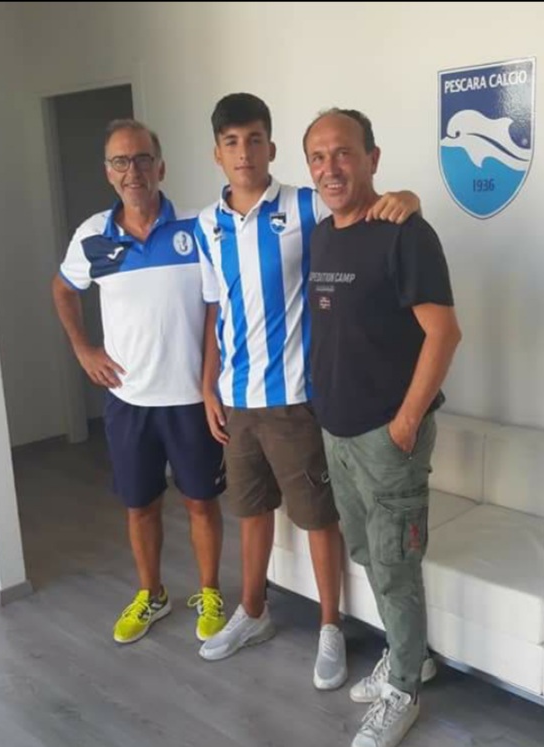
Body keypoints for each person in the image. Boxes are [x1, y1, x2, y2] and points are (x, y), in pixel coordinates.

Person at [193, 92, 421, 692]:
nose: (244, 153)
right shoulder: (205, 225)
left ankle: (329, 627)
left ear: (271, 147)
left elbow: (368, 203)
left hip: (296, 398)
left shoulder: (304, 204)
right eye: (231, 142)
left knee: (319, 518)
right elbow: (215, 310)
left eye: (254, 140)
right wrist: (208, 384)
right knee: (249, 511)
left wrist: (410, 198)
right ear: (217, 154)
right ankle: (254, 612)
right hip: (237, 400)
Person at [303, 107, 461, 746]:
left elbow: (444, 333)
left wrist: (406, 421)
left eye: (343, 152)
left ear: (372, 157)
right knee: (369, 553)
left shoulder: (405, 233)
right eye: (318, 157)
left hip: (387, 437)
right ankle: (409, 655)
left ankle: (404, 690)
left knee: (395, 564)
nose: (330, 167)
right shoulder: (322, 235)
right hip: (337, 432)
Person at [52, 119, 227, 647]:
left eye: (143, 159)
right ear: (109, 172)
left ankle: (210, 592)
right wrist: (83, 349)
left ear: (161, 167)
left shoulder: (198, 228)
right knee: (140, 505)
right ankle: (152, 594)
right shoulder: (92, 235)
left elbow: (214, 310)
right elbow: (63, 289)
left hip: (191, 400)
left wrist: (209, 385)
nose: (134, 171)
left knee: (201, 502)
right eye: (121, 161)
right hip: (129, 401)